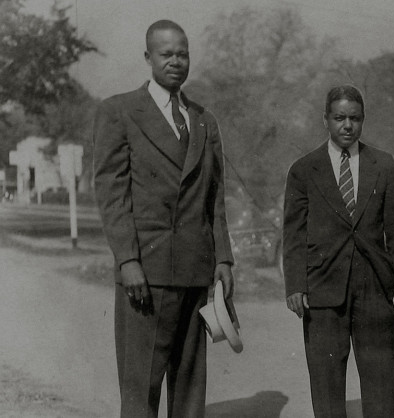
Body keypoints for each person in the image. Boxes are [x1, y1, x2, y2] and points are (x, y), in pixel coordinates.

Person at [93, 20, 234, 418]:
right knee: (141, 387)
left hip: (195, 270)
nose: (175, 61)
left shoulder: (204, 120)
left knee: (190, 387)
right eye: (166, 54)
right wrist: (127, 259)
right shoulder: (119, 111)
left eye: (182, 54)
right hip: (146, 272)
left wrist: (223, 258)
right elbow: (111, 194)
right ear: (148, 57)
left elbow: (215, 197)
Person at [282, 85, 394, 418]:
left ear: (363, 120)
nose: (347, 126)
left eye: (355, 118)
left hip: (374, 287)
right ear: (325, 120)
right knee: (326, 385)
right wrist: (295, 284)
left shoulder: (382, 163)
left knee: (381, 382)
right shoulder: (304, 169)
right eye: (339, 118)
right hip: (323, 288)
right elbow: (294, 233)